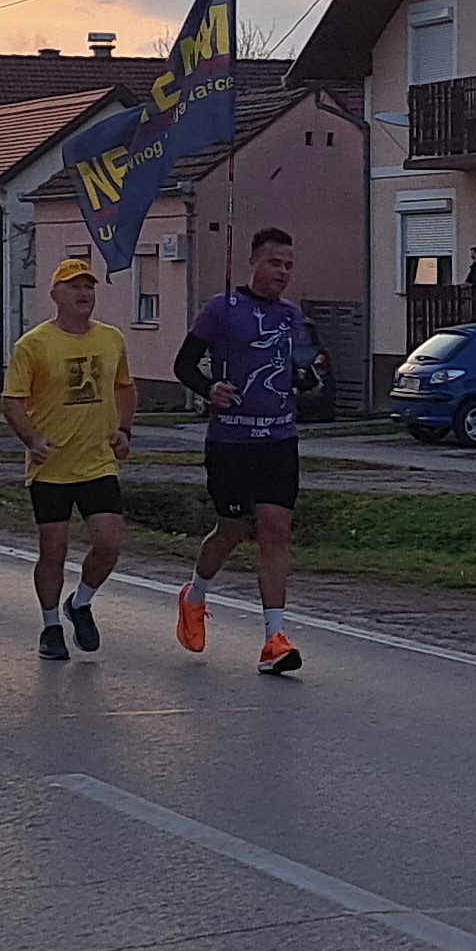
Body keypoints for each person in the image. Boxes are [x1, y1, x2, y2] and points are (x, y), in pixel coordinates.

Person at [172, 227, 316, 675]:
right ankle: (194, 595)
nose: (282, 272)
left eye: (289, 265)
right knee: (231, 530)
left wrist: (308, 376)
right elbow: (183, 364)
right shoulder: (222, 309)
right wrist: (208, 389)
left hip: (279, 439)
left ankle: (275, 638)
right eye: (275, 263)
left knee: (276, 530)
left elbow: (306, 366)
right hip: (231, 441)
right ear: (253, 261)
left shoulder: (292, 316)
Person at [3, 259, 136, 663]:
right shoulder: (33, 344)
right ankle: (50, 627)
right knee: (53, 550)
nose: (83, 293)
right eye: (74, 286)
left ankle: (80, 603)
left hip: (97, 461)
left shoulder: (111, 338)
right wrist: (31, 439)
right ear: (55, 294)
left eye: (88, 287)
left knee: (110, 541)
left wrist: (125, 429)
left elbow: (125, 387)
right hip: (52, 465)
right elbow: (13, 401)